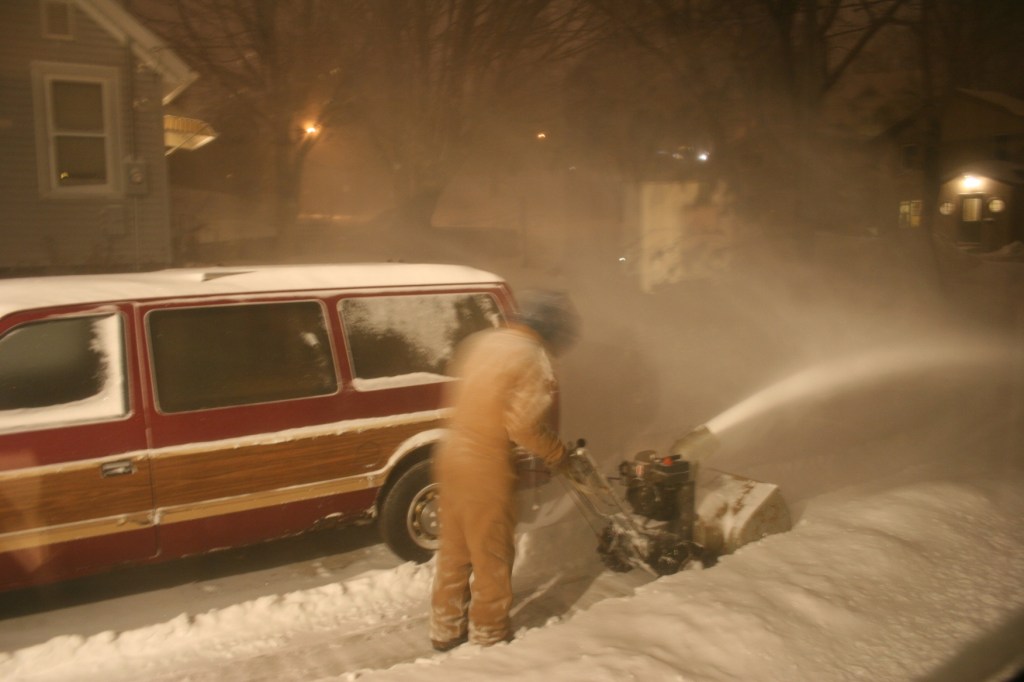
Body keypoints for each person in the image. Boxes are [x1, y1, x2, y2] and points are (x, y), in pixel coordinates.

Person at [429, 289, 580, 651]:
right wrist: (559, 454)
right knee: (491, 555)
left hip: (450, 455)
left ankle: (445, 628)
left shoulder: (483, 341)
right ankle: (489, 633)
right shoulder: (533, 357)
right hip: (485, 464)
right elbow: (523, 426)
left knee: (455, 551)